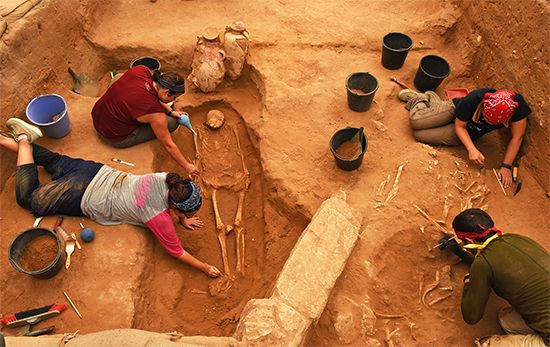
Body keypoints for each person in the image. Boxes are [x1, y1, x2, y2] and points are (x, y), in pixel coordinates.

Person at [0, 118, 221, 278]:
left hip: (94, 171)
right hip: (83, 194)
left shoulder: (166, 179)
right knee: (30, 200)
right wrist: (205, 267)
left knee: (53, 162)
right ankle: (23, 140)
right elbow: (177, 252)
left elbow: (174, 202)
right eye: (187, 212)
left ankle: (5, 139)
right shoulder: (157, 217)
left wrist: (183, 218)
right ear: (176, 206)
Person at [439, 208, 549, 346]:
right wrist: (460, 252)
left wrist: (469, 281)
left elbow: (471, 316)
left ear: (468, 240)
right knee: (506, 320)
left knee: (488, 344)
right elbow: (492, 265)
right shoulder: (517, 238)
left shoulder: (484, 263)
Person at [398, 88, 531, 188]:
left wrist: (506, 166)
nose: (488, 124)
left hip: (469, 132)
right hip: (456, 113)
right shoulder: (476, 98)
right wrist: (471, 149)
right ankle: (419, 98)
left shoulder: (517, 108)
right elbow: (459, 126)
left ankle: (434, 104)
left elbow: (517, 137)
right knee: (416, 121)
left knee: (419, 135)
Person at [92, 65, 199, 179]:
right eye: (174, 98)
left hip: (98, 115)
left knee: (119, 77)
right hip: (113, 136)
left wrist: (171, 111)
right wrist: (187, 166)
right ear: (167, 92)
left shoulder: (141, 70)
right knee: (172, 123)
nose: (174, 101)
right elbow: (168, 144)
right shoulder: (156, 115)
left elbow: (151, 95)